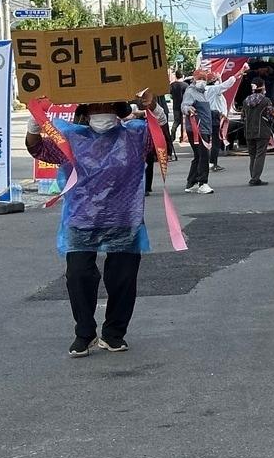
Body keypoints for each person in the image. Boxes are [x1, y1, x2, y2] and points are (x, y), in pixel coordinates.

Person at [26, 92, 156, 356]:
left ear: (118, 108)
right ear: (85, 111)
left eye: (108, 103)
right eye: (96, 105)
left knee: (122, 279)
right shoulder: (70, 139)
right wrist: (34, 123)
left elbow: (159, 142)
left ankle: (114, 333)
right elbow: (38, 149)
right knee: (78, 276)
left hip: (123, 218)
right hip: (82, 219)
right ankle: (84, 333)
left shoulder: (135, 136)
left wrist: (154, 110)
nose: (102, 109)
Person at [181, 69, 215, 194]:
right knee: (204, 156)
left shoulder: (202, 93)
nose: (202, 81)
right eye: (200, 78)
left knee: (199, 155)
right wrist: (188, 109)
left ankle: (191, 182)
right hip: (198, 129)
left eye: (204, 79)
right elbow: (184, 106)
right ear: (194, 79)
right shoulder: (190, 91)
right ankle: (202, 183)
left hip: (202, 128)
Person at [241, 80, 274, 186]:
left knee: (252, 155)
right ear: (262, 87)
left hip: (248, 131)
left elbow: (243, 117)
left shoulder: (246, 101)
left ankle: (253, 176)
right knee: (260, 155)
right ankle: (255, 178)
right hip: (262, 131)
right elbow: (271, 116)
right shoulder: (266, 101)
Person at [168, 69, 187, 151]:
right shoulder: (186, 85)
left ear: (176, 75)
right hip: (185, 106)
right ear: (182, 76)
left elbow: (170, 94)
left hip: (176, 106)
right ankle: (183, 137)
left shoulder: (172, 85)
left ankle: (172, 136)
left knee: (176, 122)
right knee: (184, 123)